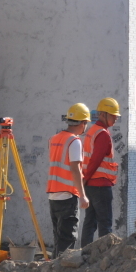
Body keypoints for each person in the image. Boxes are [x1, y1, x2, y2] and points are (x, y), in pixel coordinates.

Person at [47, 103, 91, 255]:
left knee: (59, 239)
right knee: (67, 240)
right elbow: (75, 169)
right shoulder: (74, 141)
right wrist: (83, 196)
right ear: (83, 123)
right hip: (67, 196)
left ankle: (54, 266)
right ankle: (61, 268)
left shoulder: (54, 139)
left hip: (53, 195)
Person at [80, 98, 121, 247]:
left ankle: (85, 252)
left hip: (91, 185)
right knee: (105, 223)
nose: (116, 118)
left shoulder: (92, 131)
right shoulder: (102, 134)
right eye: (113, 115)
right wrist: (85, 179)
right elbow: (95, 160)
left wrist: (85, 181)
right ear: (103, 114)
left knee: (90, 221)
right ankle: (105, 254)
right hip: (100, 185)